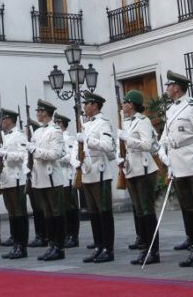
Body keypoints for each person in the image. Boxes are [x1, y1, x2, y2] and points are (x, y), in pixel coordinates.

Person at [158, 70, 193, 268]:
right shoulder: (171, 109)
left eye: (169, 85)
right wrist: (168, 159)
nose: (166, 88)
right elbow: (167, 136)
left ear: (177, 87)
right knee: (188, 208)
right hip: (178, 164)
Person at [118, 90, 161, 265]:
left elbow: (147, 144)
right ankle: (144, 247)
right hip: (131, 169)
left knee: (147, 211)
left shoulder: (143, 121)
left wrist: (128, 139)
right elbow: (121, 146)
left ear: (132, 104)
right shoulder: (127, 122)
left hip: (144, 169)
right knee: (139, 211)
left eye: (126, 102)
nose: (123, 105)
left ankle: (153, 250)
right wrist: (119, 157)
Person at [79, 92, 117, 264]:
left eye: (87, 104)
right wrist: (76, 161)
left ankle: (108, 249)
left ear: (95, 105)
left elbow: (108, 146)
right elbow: (79, 148)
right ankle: (98, 246)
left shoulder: (103, 123)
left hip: (100, 172)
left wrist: (89, 140)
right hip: (87, 172)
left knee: (104, 212)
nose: (84, 107)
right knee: (93, 213)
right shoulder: (86, 124)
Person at [27, 99, 66, 261]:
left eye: (39, 111)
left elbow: (56, 154)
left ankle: (59, 247)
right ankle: (51, 245)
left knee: (56, 213)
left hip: (51, 178)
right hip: (40, 177)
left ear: (45, 113)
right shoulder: (37, 132)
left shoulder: (55, 131)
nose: (37, 114)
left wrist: (35, 150)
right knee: (47, 213)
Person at [0, 108, 29, 259]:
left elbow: (23, 155)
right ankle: (15, 243)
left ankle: (22, 246)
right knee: (12, 214)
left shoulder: (19, 136)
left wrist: (6, 154)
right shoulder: (3, 137)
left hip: (17, 179)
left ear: (9, 120)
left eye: (3, 120)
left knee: (20, 213)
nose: (1, 122)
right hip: (6, 180)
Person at [53, 112, 80, 249]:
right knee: (61, 209)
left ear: (61, 124)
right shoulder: (55, 138)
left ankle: (73, 236)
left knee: (71, 208)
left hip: (67, 176)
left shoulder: (68, 139)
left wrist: (56, 157)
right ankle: (64, 234)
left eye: (57, 123)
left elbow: (70, 157)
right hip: (58, 177)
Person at [26, 117, 48, 250]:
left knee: (42, 209)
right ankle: (39, 234)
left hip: (42, 177)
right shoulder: (30, 143)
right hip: (33, 177)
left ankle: (44, 235)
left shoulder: (37, 143)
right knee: (36, 209)